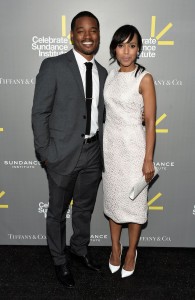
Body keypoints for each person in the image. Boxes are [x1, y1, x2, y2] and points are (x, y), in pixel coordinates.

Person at [32, 11, 107, 288]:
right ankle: (59, 260)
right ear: (72, 34)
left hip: (92, 153)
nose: (87, 36)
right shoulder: (53, 66)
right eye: (81, 30)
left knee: (84, 209)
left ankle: (79, 249)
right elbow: (39, 113)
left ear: (99, 34)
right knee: (57, 212)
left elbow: (101, 115)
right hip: (61, 153)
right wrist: (45, 153)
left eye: (93, 30)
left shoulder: (102, 72)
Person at [102, 25, 156, 278]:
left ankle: (132, 250)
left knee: (133, 205)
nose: (126, 51)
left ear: (138, 49)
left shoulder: (144, 78)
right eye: (121, 45)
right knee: (114, 201)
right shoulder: (110, 76)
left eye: (132, 46)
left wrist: (148, 160)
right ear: (114, 48)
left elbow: (151, 123)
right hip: (111, 148)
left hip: (134, 147)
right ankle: (115, 248)